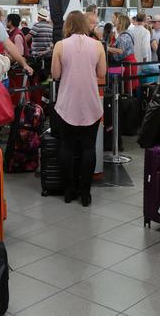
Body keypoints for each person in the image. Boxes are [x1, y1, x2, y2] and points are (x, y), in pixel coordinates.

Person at [51, 11, 106, 207]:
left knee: (67, 146)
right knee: (88, 148)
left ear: (67, 25)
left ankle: (68, 190)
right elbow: (101, 73)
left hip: (67, 103)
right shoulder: (98, 45)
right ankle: (85, 193)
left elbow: (55, 74)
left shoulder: (60, 45)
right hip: (91, 103)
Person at [108, 15, 139, 91]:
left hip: (128, 65)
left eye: (117, 22)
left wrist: (107, 48)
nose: (115, 23)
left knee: (128, 90)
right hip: (127, 64)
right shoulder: (125, 34)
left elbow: (120, 51)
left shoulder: (124, 36)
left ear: (121, 24)